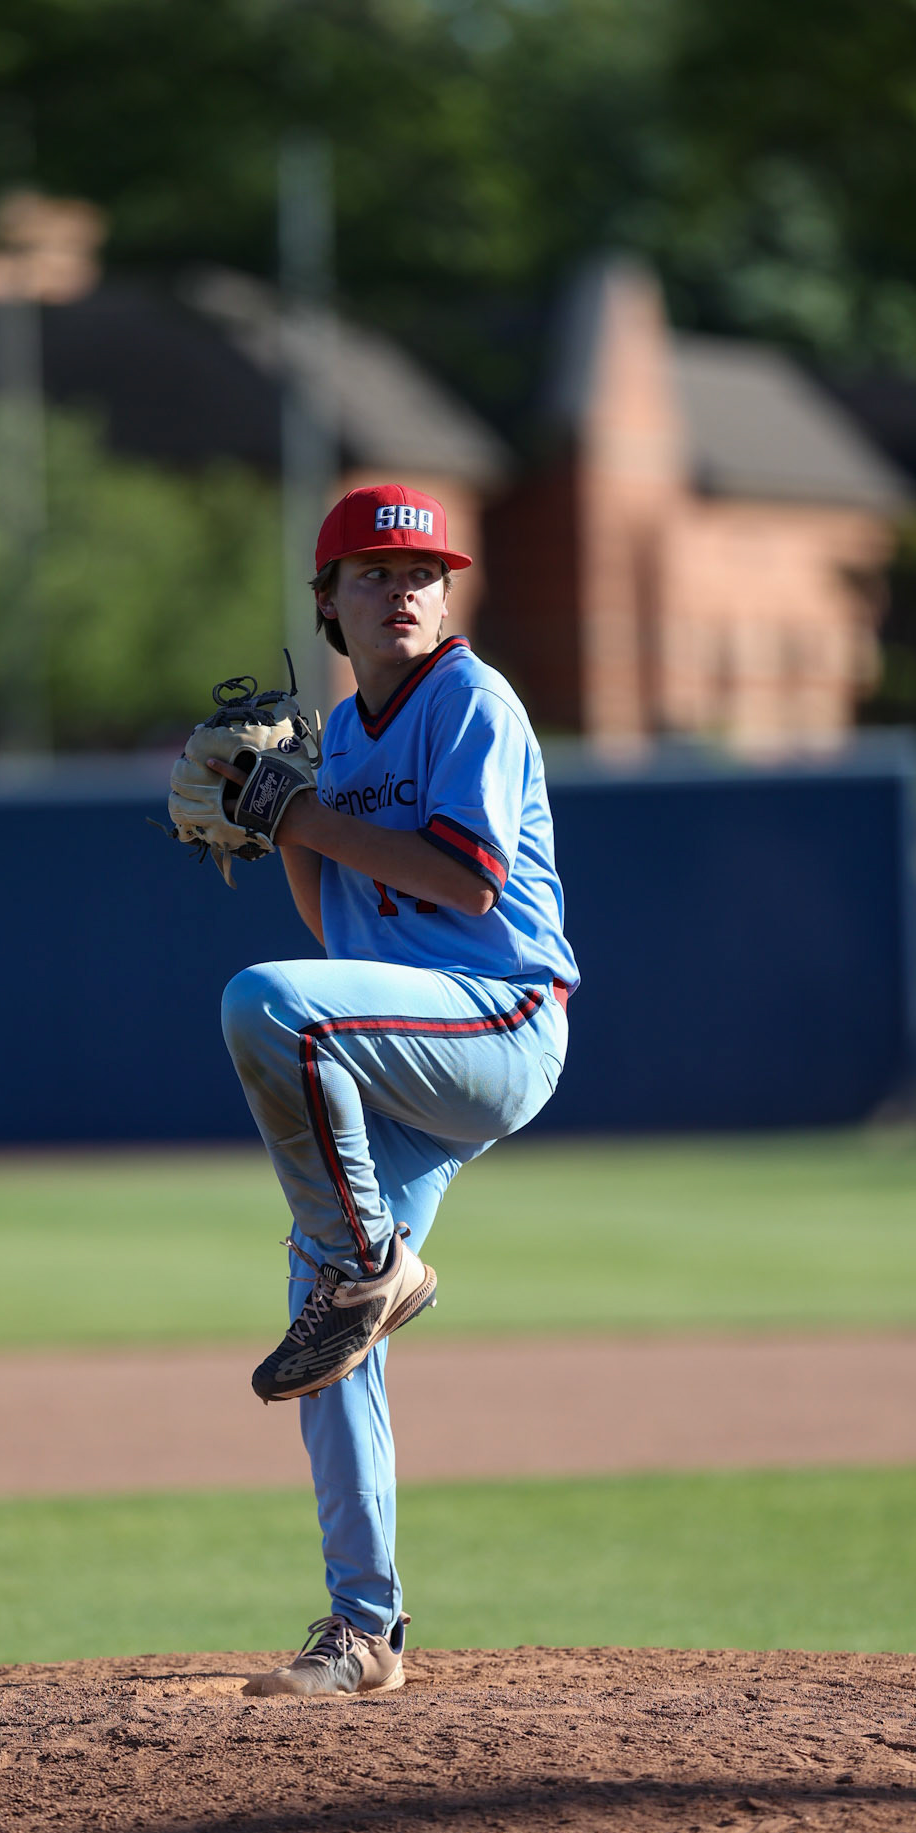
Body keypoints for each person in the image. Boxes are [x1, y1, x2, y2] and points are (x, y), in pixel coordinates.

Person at [214, 482, 578, 1697]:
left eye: (423, 571)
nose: (405, 588)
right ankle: (363, 1626)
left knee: (264, 1000)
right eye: (373, 572)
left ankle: (374, 1261)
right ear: (326, 601)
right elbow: (339, 931)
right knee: (325, 1307)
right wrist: (287, 836)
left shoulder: (469, 697)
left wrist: (305, 807)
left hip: (500, 1019)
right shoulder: (346, 730)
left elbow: (466, 882)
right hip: (405, 1036)